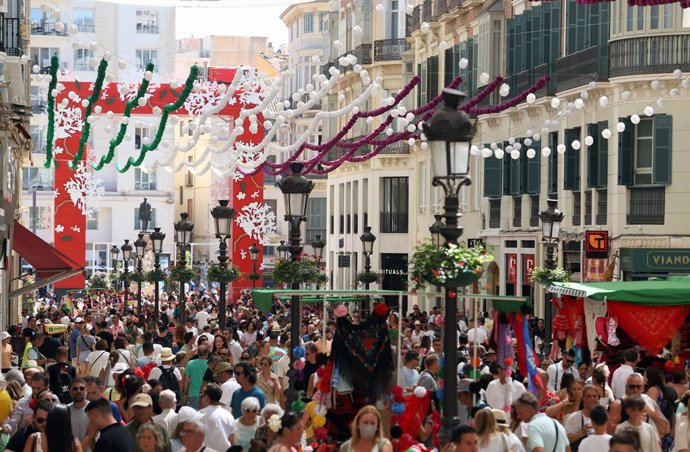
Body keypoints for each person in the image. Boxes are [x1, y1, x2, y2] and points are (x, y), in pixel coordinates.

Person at [198, 384, 236, 452]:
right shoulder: (228, 415)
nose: (201, 398)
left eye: (202, 395)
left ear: (206, 397)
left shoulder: (199, 415)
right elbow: (232, 440)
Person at [563, 384, 599, 451]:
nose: (592, 399)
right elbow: (566, 439)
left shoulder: (601, 416)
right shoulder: (576, 417)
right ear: (583, 398)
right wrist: (582, 432)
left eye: (595, 396)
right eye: (588, 396)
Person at [67, 377, 90, 450]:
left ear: (86, 391)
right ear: (70, 392)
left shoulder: (93, 409)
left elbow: (91, 435)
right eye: (75, 389)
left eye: (82, 388)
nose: (78, 391)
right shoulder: (65, 410)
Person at [183, 344, 209, 409]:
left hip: (193, 394)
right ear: (208, 352)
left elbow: (186, 380)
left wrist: (185, 393)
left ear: (197, 352)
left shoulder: (190, 363)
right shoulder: (210, 364)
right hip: (207, 395)